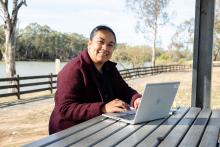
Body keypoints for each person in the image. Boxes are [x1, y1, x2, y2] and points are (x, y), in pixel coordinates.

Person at [49, 25, 142, 134]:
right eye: (100, 42)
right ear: (89, 44)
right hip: (68, 132)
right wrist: (103, 107)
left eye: (110, 45)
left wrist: (136, 99)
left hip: (99, 127)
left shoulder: (109, 68)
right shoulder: (73, 69)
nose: (105, 48)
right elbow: (65, 108)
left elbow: (124, 90)